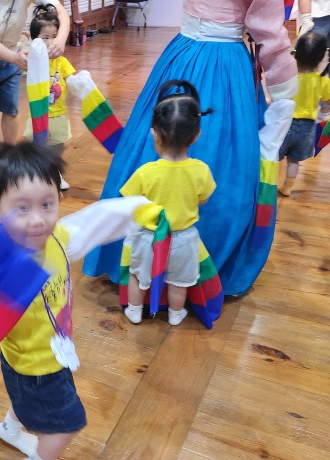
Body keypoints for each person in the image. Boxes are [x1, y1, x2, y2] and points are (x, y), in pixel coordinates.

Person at [83, 0, 298, 297]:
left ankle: (139, 260)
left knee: (158, 137)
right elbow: (268, 29)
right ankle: (194, 269)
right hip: (226, 65)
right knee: (225, 163)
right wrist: (285, 87)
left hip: (183, 53)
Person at [0, 142, 147, 460]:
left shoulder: (54, 236)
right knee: (69, 422)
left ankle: (10, 427)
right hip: (36, 365)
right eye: (21, 208)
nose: (38, 219)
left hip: (48, 351)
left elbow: (92, 225)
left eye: (47, 204)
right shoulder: (5, 267)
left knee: (24, 399)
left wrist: (136, 211)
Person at [122, 80, 216, 327]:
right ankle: (175, 314)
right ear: (196, 135)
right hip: (185, 238)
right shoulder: (201, 170)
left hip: (147, 237)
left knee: (138, 275)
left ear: (154, 134)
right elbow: (204, 199)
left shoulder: (145, 172)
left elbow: (129, 203)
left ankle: (134, 310)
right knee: (179, 281)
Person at [0, 0, 69, 156]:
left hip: (12, 53)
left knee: (11, 110)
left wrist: (61, 39)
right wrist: (15, 58)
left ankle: (10, 157)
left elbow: (61, 11)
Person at [278, 32, 330, 197]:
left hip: (283, 123)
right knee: (294, 160)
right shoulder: (321, 79)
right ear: (321, 58)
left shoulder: (288, 74)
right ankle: (287, 187)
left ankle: (265, 185)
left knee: (272, 156)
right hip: (306, 128)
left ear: (297, 52)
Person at [23, 5, 75, 190]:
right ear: (34, 40)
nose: (51, 42)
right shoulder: (32, 61)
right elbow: (21, 65)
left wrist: (79, 82)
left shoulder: (62, 62)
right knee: (37, 147)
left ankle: (56, 173)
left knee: (57, 148)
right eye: (45, 38)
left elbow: (71, 78)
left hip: (58, 114)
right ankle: (36, 174)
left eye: (55, 36)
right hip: (38, 114)